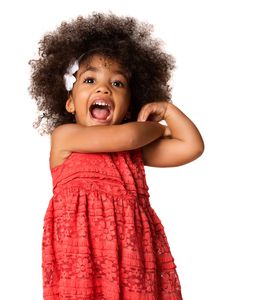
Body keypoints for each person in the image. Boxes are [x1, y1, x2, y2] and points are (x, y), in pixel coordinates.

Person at [29, 12, 204, 299]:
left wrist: (167, 111)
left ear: (129, 106)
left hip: (133, 258)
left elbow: (191, 146)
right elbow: (132, 135)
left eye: (118, 83)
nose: (103, 87)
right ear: (70, 103)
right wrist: (155, 128)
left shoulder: (132, 151)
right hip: (82, 260)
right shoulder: (66, 137)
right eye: (89, 80)